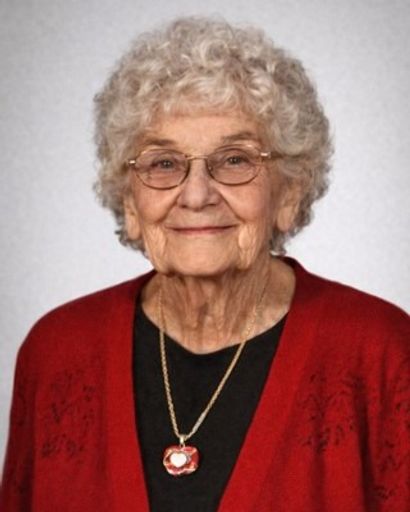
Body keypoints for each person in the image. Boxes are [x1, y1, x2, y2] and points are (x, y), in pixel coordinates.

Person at [1, 16, 409, 512]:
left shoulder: (382, 352)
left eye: (235, 160)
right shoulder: (56, 353)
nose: (196, 195)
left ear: (288, 192)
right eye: (163, 163)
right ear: (130, 203)